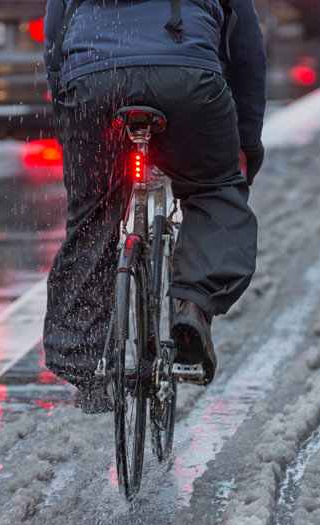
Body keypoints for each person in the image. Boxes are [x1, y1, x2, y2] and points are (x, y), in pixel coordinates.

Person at [42, 0, 267, 413]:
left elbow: (55, 39)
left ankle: (84, 363)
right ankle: (193, 307)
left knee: (93, 214)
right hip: (186, 78)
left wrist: (71, 123)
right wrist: (246, 143)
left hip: (92, 80)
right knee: (212, 189)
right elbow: (247, 50)